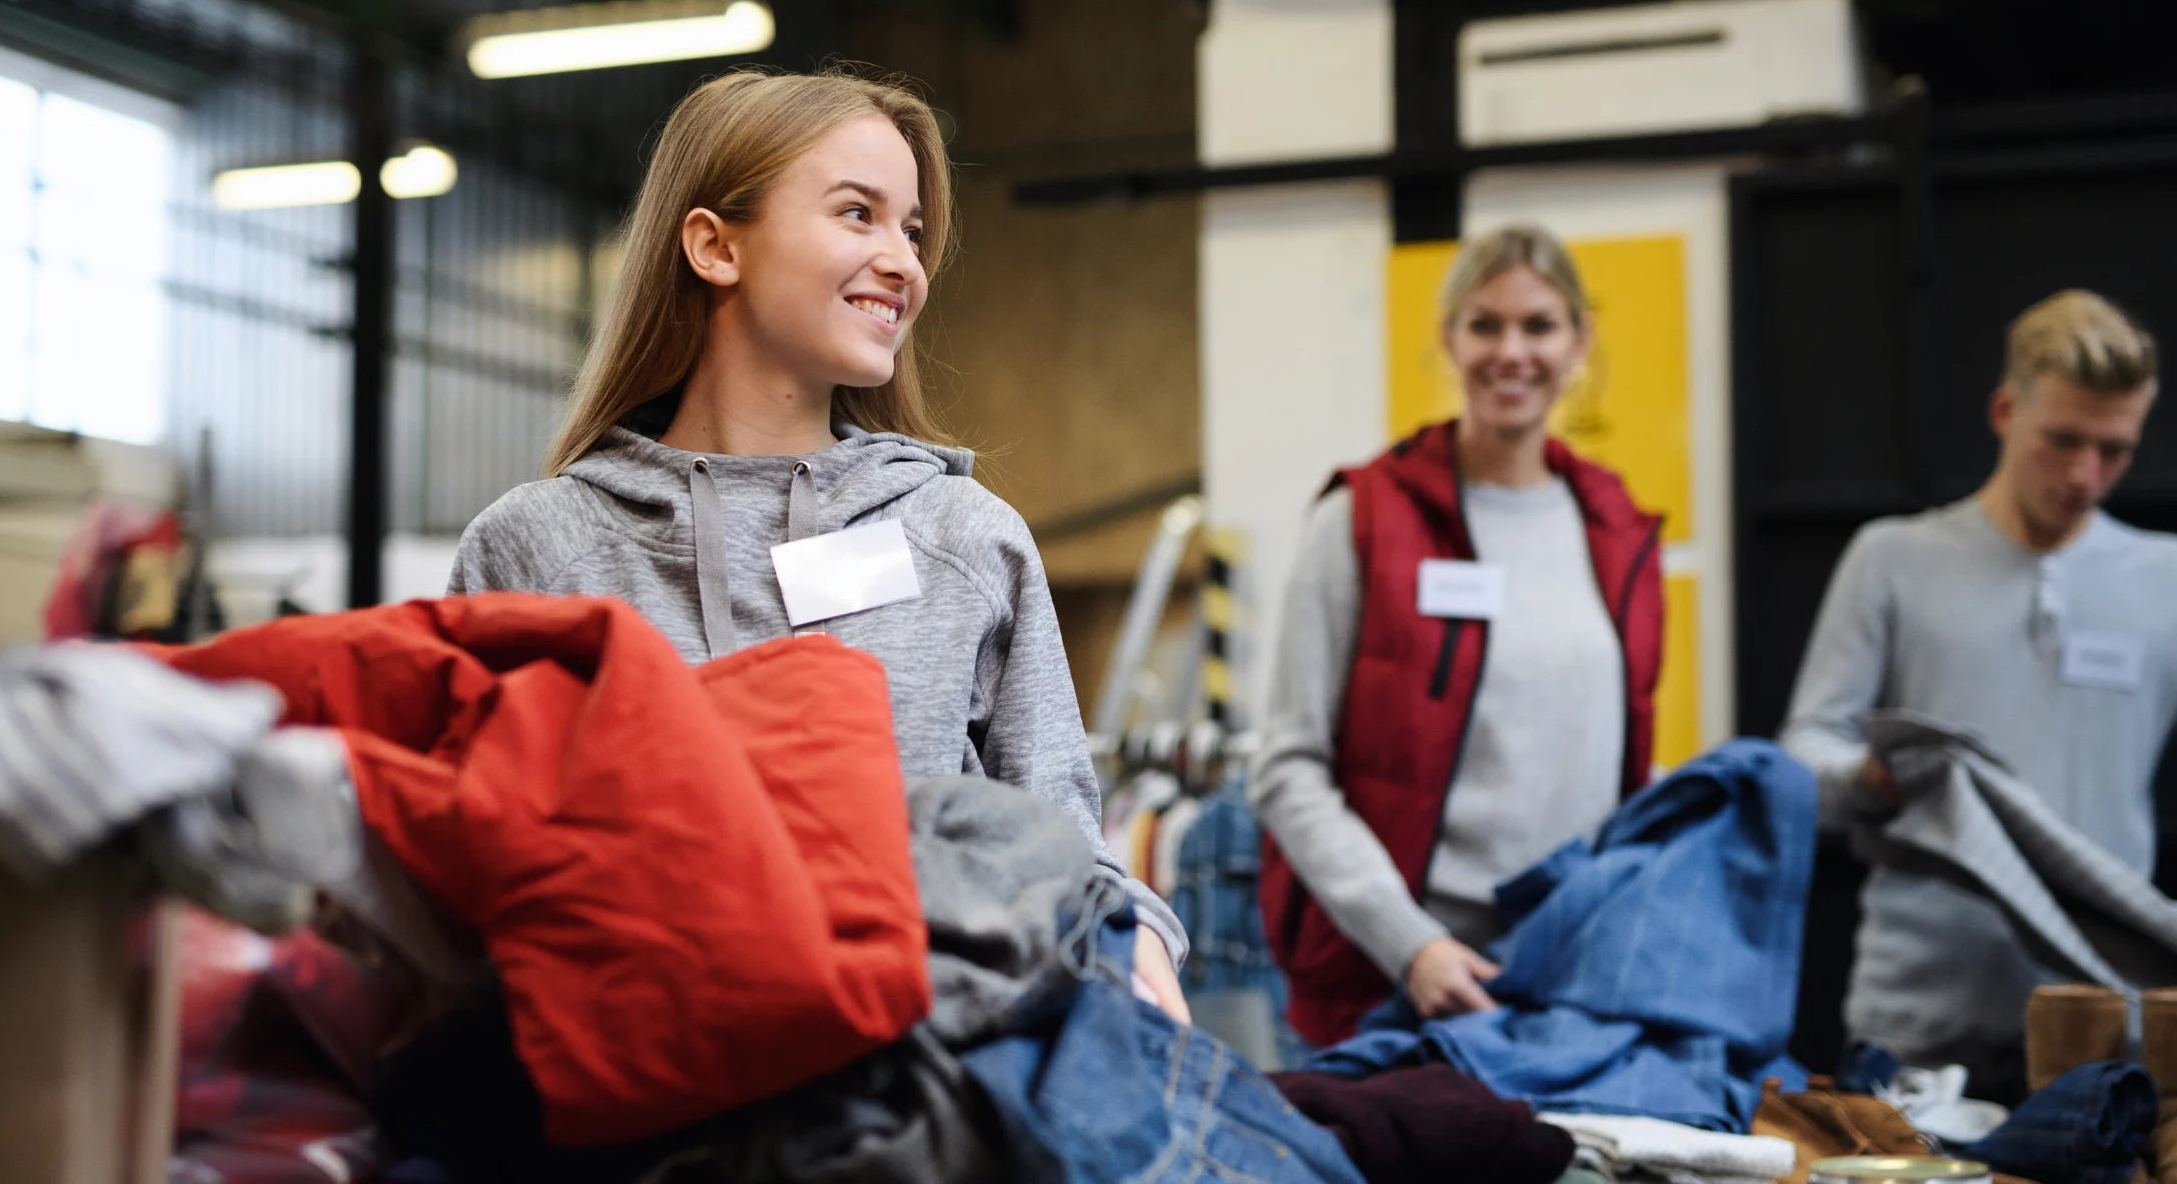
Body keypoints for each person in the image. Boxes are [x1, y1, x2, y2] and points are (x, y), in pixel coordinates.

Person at [445, 68, 1190, 1022]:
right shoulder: (537, 553)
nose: (904, 262)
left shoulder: (962, 538)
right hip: (645, 1102)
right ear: (715, 247)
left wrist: (1134, 942)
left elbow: (1059, 837)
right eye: (857, 214)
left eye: (912, 231)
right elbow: (476, 863)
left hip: (925, 1098)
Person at [1250, 224, 1665, 1046]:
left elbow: (1619, 761)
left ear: (1580, 341)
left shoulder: (1618, 532)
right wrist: (1413, 946)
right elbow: (1288, 769)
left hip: (1564, 980)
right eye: (1485, 325)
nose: (1513, 351)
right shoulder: (1362, 520)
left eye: (1539, 326)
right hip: (1389, 986)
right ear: (1447, 338)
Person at [1783, 289, 2177, 1097]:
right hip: (1919, 1022)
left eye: (2113, 450)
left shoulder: (2166, 578)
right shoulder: (1892, 558)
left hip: (2104, 1024)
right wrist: (1870, 778)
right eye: (2062, 441)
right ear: (2004, 411)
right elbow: (1802, 757)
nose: (2083, 475)